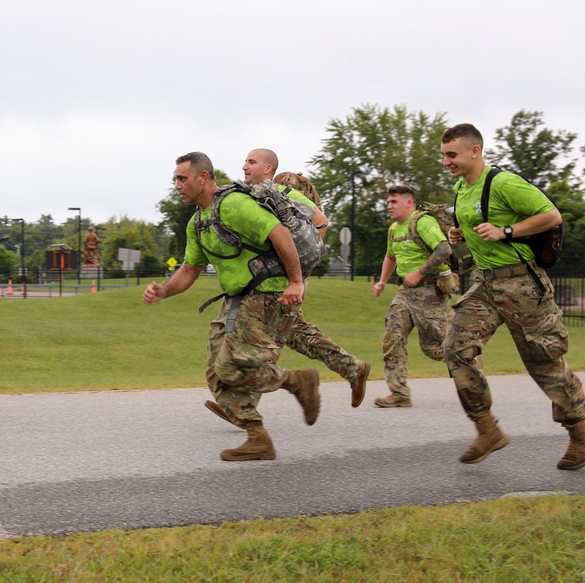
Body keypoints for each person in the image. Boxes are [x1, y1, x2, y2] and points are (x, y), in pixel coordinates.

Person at [144, 151, 321, 462]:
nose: (177, 185)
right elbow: (189, 269)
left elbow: (279, 234)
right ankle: (258, 436)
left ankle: (296, 381)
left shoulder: (233, 205)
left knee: (229, 367)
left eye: (182, 179)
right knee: (216, 374)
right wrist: (164, 291)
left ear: (202, 177)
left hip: (268, 294)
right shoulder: (198, 222)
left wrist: (296, 282)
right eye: (175, 180)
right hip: (238, 299)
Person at [441, 123, 584, 470]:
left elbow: (551, 215)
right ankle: (487, 429)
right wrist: (459, 236)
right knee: (456, 350)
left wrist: (507, 231)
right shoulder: (461, 188)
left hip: (522, 286)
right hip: (486, 284)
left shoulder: (503, 182)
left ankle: (580, 434)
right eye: (444, 156)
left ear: (475, 151)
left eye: (452, 155)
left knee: (544, 364)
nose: (447, 162)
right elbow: (477, 233)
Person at [240, 148, 370, 409]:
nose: (244, 166)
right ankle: (353, 368)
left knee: (269, 339)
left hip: (289, 279)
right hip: (278, 280)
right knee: (294, 334)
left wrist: (298, 270)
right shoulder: (260, 196)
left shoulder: (283, 192)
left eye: (251, 162)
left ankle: (243, 403)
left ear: (268, 169)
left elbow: (321, 224)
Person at [372, 185, 454, 407]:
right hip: (405, 293)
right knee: (392, 335)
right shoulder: (393, 229)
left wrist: (419, 273)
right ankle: (399, 393)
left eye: (394, 201)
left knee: (435, 347)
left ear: (409, 203)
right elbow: (390, 256)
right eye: (388, 201)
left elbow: (444, 249)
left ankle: (469, 361)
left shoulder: (423, 222)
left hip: (431, 292)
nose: (389, 206)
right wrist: (382, 281)